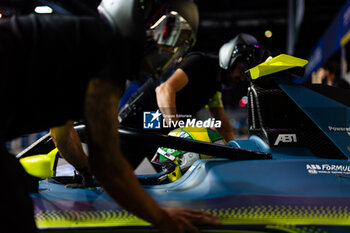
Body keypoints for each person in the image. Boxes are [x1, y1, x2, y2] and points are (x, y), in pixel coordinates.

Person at [0, 0, 220, 232]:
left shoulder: (83, 44)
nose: (169, 53)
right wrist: (163, 218)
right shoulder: (110, 52)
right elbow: (106, 162)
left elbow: (62, 132)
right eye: (169, 36)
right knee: (11, 196)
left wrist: (85, 171)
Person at [120, 33, 267, 143]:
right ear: (230, 58)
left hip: (159, 133)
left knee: (178, 179)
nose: (242, 77)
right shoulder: (199, 63)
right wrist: (177, 131)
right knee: (113, 175)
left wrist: (236, 152)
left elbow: (223, 123)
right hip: (137, 122)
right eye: (242, 69)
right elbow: (165, 89)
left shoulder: (213, 88)